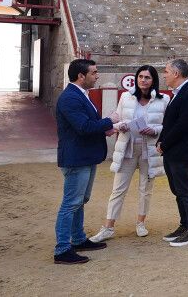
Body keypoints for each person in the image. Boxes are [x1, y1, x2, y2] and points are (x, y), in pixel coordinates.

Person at [90, 65, 170, 243]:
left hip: (149, 150)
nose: (143, 80)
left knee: (145, 189)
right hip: (127, 148)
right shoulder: (126, 96)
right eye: (140, 77)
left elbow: (168, 125)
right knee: (118, 189)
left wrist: (155, 130)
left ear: (153, 80)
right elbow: (117, 117)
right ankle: (108, 227)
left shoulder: (164, 99)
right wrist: (120, 126)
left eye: (147, 77)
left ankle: (141, 223)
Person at [53, 59, 116, 265]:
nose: (97, 76)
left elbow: (86, 126)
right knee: (71, 203)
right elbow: (84, 127)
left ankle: (78, 239)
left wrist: (104, 128)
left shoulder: (79, 95)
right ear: (81, 76)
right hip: (76, 158)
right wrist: (110, 121)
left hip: (85, 156)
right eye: (94, 72)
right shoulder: (71, 98)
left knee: (80, 200)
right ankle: (62, 249)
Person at [157, 59, 188, 246]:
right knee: (178, 190)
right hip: (173, 151)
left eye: (166, 71)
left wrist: (164, 143)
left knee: (186, 190)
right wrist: (162, 142)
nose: (164, 75)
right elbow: (170, 123)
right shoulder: (180, 94)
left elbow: (182, 125)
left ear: (176, 74)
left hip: (182, 151)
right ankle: (185, 225)